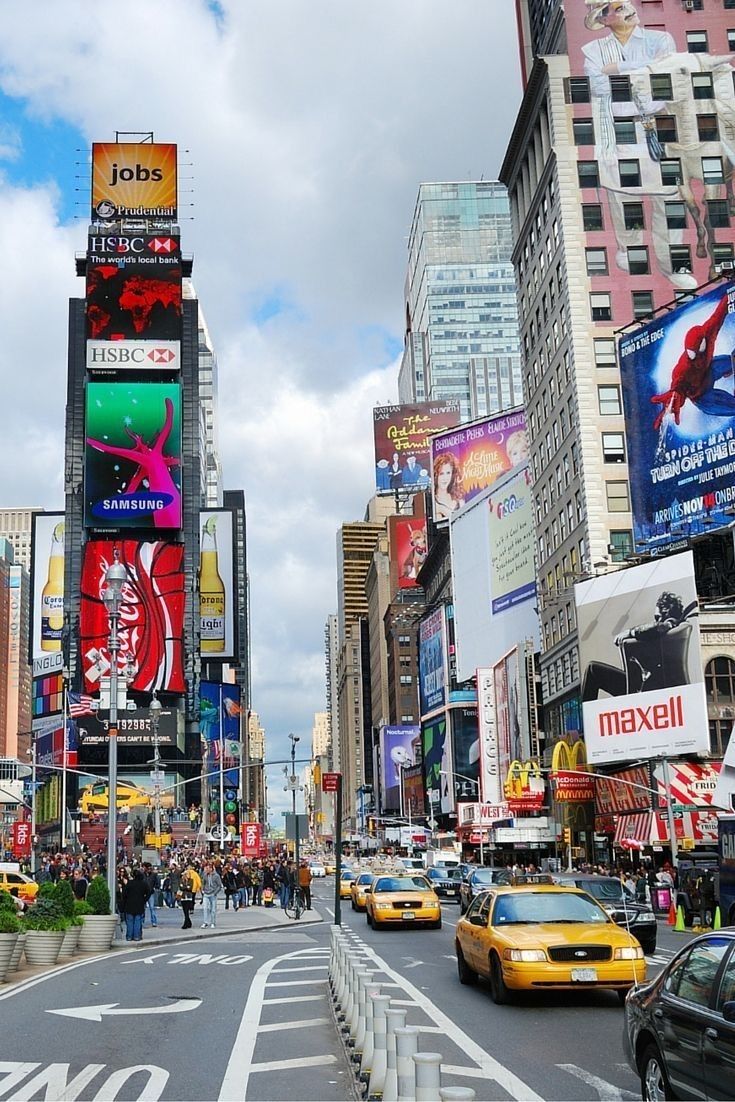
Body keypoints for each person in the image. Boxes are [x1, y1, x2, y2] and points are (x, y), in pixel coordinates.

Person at [581, 0, 697, 291]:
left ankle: (673, 264)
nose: (628, 9)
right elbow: (598, 87)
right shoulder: (593, 52)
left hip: (659, 124)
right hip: (620, 130)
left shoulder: (660, 39)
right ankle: (629, 249)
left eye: (627, 3)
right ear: (604, 18)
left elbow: (666, 73)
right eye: (617, 8)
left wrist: (618, 68)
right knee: (622, 194)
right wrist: (640, 71)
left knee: (670, 197)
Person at [581, 591, 692, 700]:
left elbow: (657, 628)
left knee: (593, 669)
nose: (655, 621)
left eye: (657, 617)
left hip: (646, 687)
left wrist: (630, 632)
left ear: (666, 611)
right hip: (650, 684)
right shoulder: (676, 629)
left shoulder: (669, 624)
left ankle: (587, 715)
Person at [433, 453, 464, 520]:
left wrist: (441, 509)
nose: (445, 478)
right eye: (441, 474)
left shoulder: (459, 501)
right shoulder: (432, 502)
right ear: (436, 475)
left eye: (448, 473)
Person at [121, 869, 150, 943]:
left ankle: (129, 936)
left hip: (129, 904)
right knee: (137, 921)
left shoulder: (130, 883)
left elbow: (124, 894)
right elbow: (149, 892)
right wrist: (144, 899)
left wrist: (124, 902)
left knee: (130, 921)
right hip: (139, 904)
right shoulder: (143, 884)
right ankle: (137, 936)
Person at [200, 861, 222, 929]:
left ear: (212, 869)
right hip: (206, 893)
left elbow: (219, 885)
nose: (207, 870)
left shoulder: (216, 876)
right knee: (205, 908)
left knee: (213, 909)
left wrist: (215, 892)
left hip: (213, 893)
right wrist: (202, 890)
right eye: (206, 868)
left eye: (208, 868)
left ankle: (213, 922)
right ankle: (205, 922)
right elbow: (203, 883)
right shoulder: (204, 875)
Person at [179, 864, 199, 930]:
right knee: (185, 911)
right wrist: (185, 887)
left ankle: (186, 923)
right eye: (184, 875)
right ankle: (188, 922)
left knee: (187, 910)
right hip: (183, 897)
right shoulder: (181, 881)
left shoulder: (191, 880)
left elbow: (190, 888)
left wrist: (185, 887)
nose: (185, 876)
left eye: (186, 875)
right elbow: (181, 887)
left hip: (189, 897)